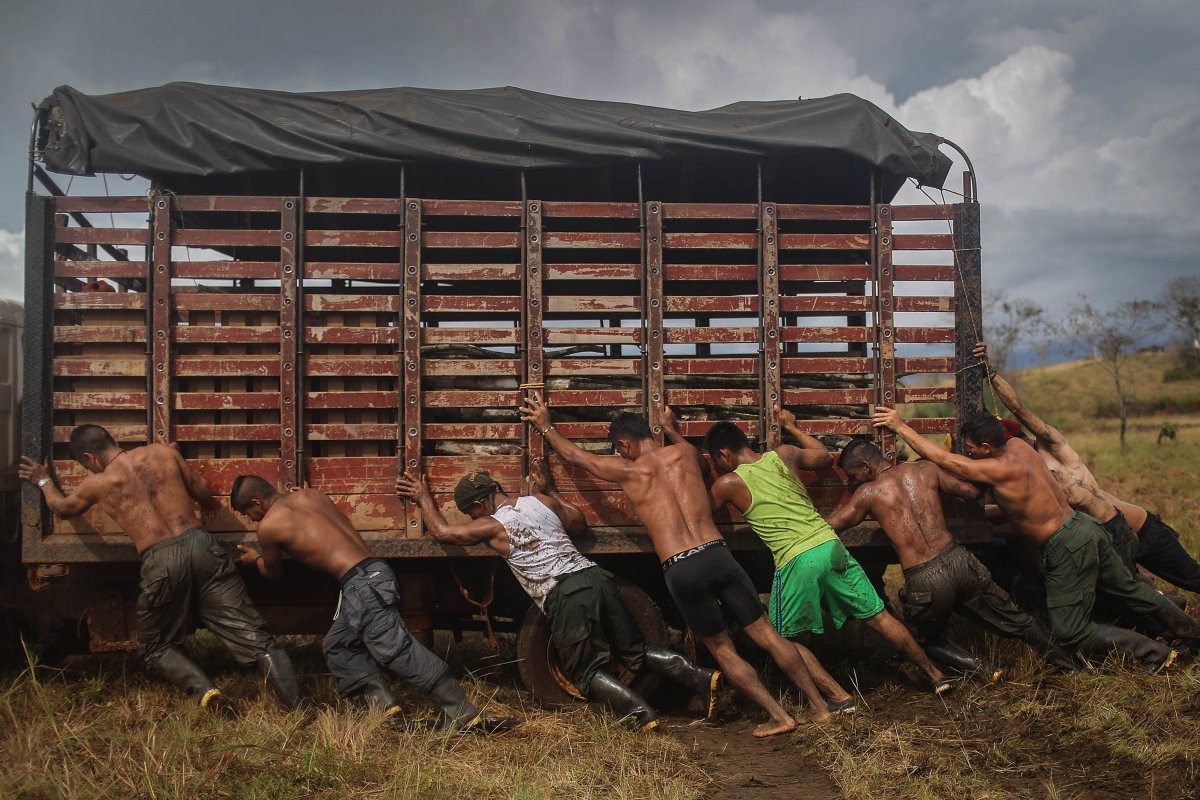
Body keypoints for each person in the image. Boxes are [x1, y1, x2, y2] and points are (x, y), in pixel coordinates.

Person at [519, 391, 832, 735]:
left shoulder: (629, 471)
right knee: (770, 637)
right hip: (717, 552)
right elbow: (698, 465)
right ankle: (819, 707)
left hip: (682, 566)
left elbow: (576, 456)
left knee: (722, 649)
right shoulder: (685, 452)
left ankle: (778, 716)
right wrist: (671, 429)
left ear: (624, 445)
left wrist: (546, 427)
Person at [395, 457, 721, 731]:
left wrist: (423, 496)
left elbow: (442, 533)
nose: (474, 519)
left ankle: (641, 716)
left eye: (472, 512)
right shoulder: (539, 501)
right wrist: (550, 488)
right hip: (597, 577)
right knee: (636, 651)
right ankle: (701, 678)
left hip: (565, 592)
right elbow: (579, 522)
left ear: (480, 504)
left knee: (586, 673)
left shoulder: (493, 524)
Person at [872, 408, 1181, 671]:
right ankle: (1189, 632)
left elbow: (944, 459)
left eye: (971, 448)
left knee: (1070, 632)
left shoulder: (997, 468)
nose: (968, 454)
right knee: (1130, 588)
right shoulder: (1021, 447)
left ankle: (1156, 652)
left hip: (1067, 542)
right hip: (1084, 527)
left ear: (986, 447)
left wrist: (900, 426)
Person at [17, 426, 298, 709]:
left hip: (160, 558)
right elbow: (203, 492)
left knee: (153, 645)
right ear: (113, 440)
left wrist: (43, 481)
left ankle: (205, 692)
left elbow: (63, 508)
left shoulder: (98, 484)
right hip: (201, 547)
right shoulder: (164, 453)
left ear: (90, 458)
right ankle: (297, 708)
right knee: (255, 637)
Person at [688, 410, 951, 694]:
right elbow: (824, 456)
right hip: (830, 544)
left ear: (723, 455)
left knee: (780, 639)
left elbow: (698, 511)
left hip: (796, 559)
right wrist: (792, 425)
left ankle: (839, 696)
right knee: (879, 616)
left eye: (716, 462)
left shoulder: (728, 484)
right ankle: (936, 675)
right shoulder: (785, 454)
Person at [230, 475, 504, 732]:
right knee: (338, 646)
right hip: (372, 573)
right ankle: (386, 708)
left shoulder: (269, 526)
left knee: (397, 649)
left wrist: (254, 560)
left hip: (360, 583)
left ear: (257, 504)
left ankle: (463, 713)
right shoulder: (311, 496)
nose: (252, 520)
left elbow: (274, 573)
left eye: (248, 514)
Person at [827, 439, 1076, 676]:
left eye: (853, 475)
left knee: (920, 641)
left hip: (924, 577)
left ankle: (986, 670)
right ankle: (1066, 663)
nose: (853, 481)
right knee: (1018, 621)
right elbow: (969, 492)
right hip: (960, 561)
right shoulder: (925, 469)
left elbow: (836, 523)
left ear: (866, 466)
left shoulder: (868, 493)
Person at [977, 341, 1200, 597]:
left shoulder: (1052, 449)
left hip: (1141, 529)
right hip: (1110, 542)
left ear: (1016, 441)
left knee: (1193, 579)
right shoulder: (1027, 476)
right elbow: (1016, 518)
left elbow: (1019, 409)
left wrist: (990, 373)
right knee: (1135, 599)